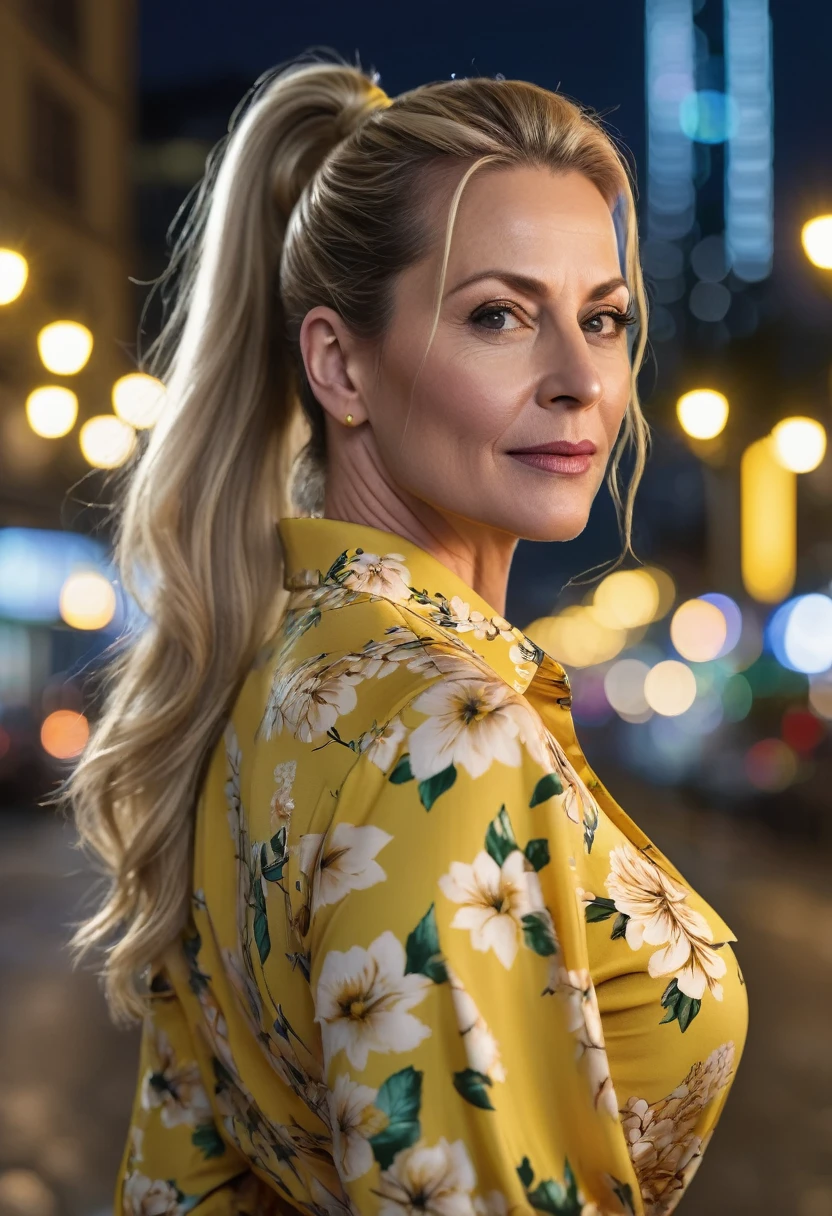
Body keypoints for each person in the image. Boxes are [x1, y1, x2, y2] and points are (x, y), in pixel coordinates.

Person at [67, 53, 748, 1216]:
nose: (580, 378)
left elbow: (182, 1180)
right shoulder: (447, 736)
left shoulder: (257, 678)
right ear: (340, 364)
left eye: (603, 317)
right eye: (499, 315)